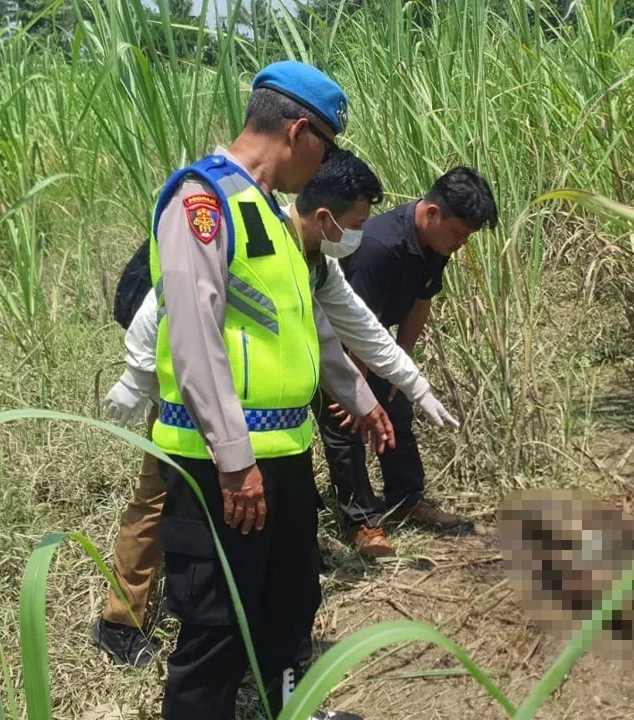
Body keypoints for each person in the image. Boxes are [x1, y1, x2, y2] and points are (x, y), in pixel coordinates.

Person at [92, 150, 460, 671]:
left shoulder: (314, 262)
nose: (359, 234)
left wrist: (404, 388)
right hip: (192, 404)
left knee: (246, 524)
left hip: (257, 419)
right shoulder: (248, 233)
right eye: (355, 223)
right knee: (158, 498)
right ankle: (120, 622)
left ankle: (248, 631)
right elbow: (164, 308)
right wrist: (138, 381)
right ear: (326, 216)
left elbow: (345, 334)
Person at [127, 60, 387, 720]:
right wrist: (235, 461)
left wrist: (358, 395)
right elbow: (193, 339)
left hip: (284, 458)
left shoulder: (267, 213)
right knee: (216, 626)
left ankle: (287, 711)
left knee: (289, 605)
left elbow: (305, 326)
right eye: (324, 148)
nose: (321, 165)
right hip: (221, 469)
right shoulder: (202, 203)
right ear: (299, 132)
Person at [314, 167, 498, 557]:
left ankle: (406, 499)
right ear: (432, 213)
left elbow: (420, 302)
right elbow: (357, 325)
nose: (462, 243)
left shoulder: (436, 244)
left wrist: (402, 366)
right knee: (346, 427)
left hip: (375, 343)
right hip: (332, 344)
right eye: (459, 233)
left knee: (396, 410)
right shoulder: (379, 246)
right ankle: (362, 520)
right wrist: (356, 392)